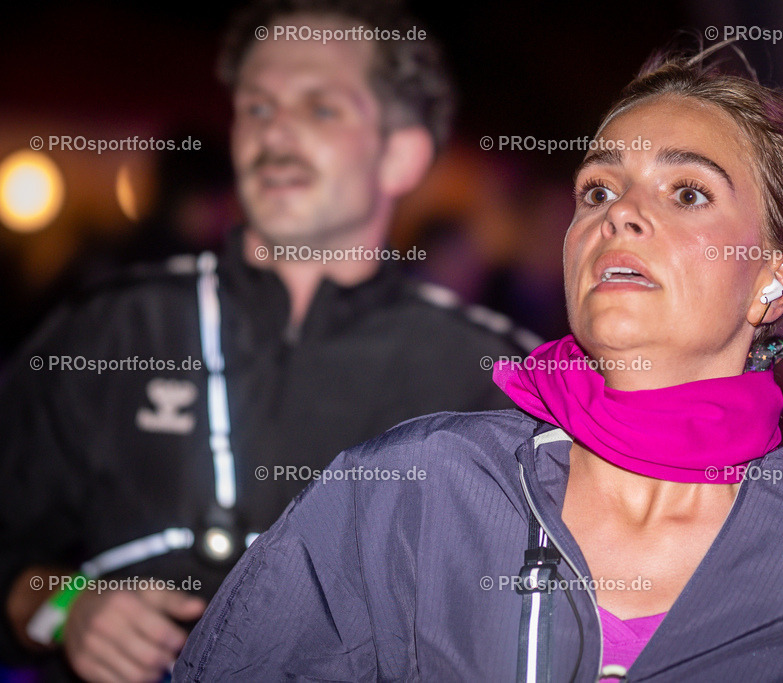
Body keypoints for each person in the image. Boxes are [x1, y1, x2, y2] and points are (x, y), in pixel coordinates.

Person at [174, 43, 783, 682]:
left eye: (687, 191)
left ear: (771, 278)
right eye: (598, 191)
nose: (620, 215)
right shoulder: (409, 499)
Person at [0, 1, 539, 680]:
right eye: (256, 108)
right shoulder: (117, 328)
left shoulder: (494, 377)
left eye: (319, 109)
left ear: (401, 154)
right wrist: (68, 606)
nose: (274, 135)